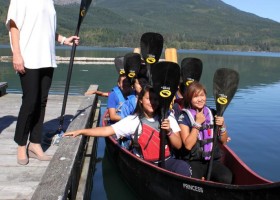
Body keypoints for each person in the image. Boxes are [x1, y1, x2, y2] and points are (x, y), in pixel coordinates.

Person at [6, 0, 80, 165]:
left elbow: (46, 29)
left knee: (41, 102)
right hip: (28, 58)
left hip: (47, 57)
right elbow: (13, 26)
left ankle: (35, 144)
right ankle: (21, 144)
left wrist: (63, 40)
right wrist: (16, 54)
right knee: (30, 101)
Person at [64, 85, 192, 177]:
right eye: (149, 99)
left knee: (183, 168)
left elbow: (178, 145)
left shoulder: (167, 117)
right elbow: (107, 130)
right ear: (141, 100)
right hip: (144, 164)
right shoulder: (133, 121)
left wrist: (169, 131)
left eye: (155, 99)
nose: (152, 102)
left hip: (167, 161)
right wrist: (81, 131)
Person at [177, 81, 232, 183]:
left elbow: (223, 141)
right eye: (196, 97)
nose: (200, 99)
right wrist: (197, 124)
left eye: (202, 95)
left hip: (212, 160)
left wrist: (222, 126)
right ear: (189, 99)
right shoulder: (184, 117)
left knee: (226, 177)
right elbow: (188, 145)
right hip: (193, 161)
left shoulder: (213, 114)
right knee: (194, 182)